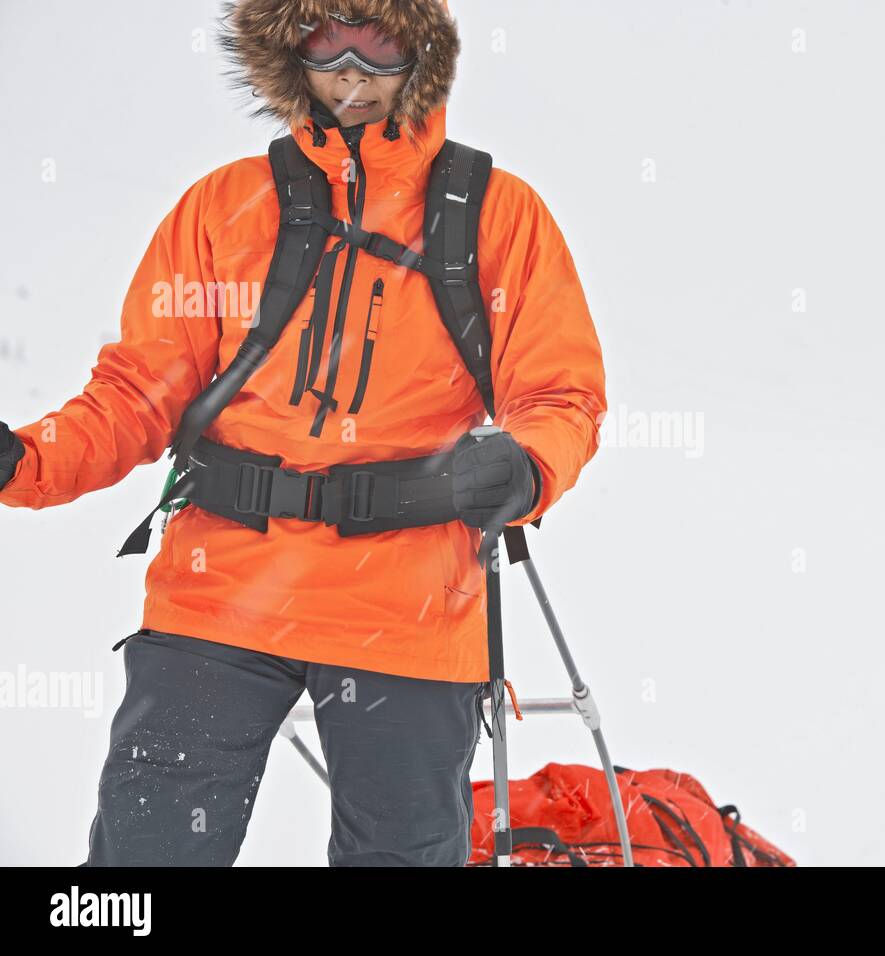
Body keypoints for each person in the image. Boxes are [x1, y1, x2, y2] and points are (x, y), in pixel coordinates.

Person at [0, 0, 606, 867]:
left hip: (409, 602)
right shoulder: (222, 206)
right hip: (222, 590)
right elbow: (138, 394)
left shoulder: (497, 215)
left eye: (380, 43)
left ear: (423, 54)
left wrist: (524, 462)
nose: (353, 69)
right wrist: (24, 459)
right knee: (141, 869)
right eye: (328, 40)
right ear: (289, 50)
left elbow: (561, 393)